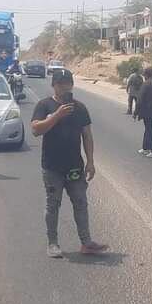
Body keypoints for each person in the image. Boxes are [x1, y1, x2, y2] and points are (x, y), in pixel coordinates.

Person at [31, 70, 109, 259]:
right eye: (61, 84)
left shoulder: (80, 108)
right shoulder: (44, 105)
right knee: (53, 205)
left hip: (75, 166)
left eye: (68, 83)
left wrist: (90, 162)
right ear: (54, 85)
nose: (65, 87)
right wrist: (56, 115)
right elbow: (35, 130)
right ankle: (53, 243)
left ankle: (86, 242)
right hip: (52, 166)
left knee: (81, 203)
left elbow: (87, 136)